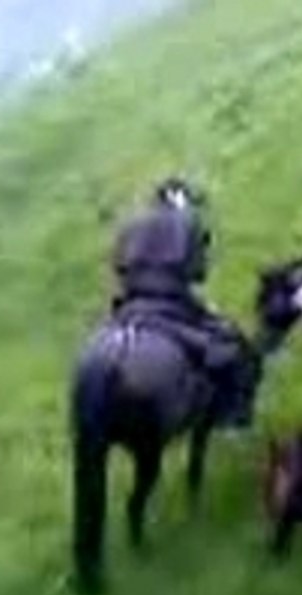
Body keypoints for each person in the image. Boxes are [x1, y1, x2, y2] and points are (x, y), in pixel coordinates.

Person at [110, 177, 260, 427]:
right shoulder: (189, 223)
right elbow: (199, 273)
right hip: (172, 302)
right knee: (233, 347)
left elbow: (119, 265)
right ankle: (233, 413)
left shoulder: (131, 223)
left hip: (130, 303)